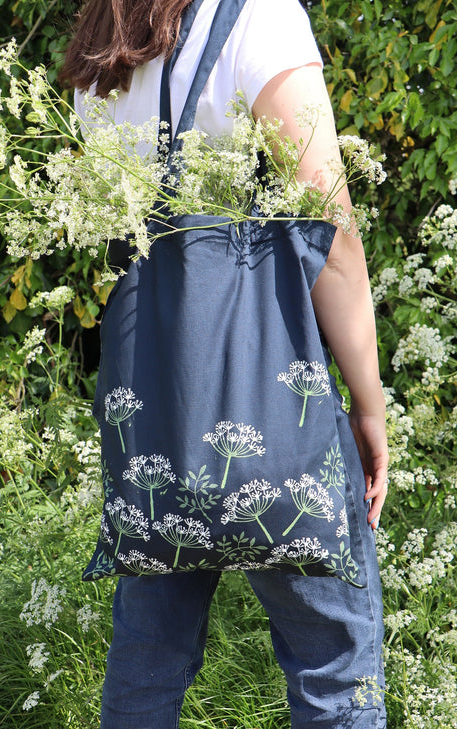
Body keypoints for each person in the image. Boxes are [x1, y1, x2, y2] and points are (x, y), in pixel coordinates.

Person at [61, 1, 389, 727]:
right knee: (336, 676)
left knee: (146, 666)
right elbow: (331, 234)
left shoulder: (104, 49)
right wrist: (368, 402)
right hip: (274, 407)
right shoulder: (258, 19)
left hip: (159, 415)